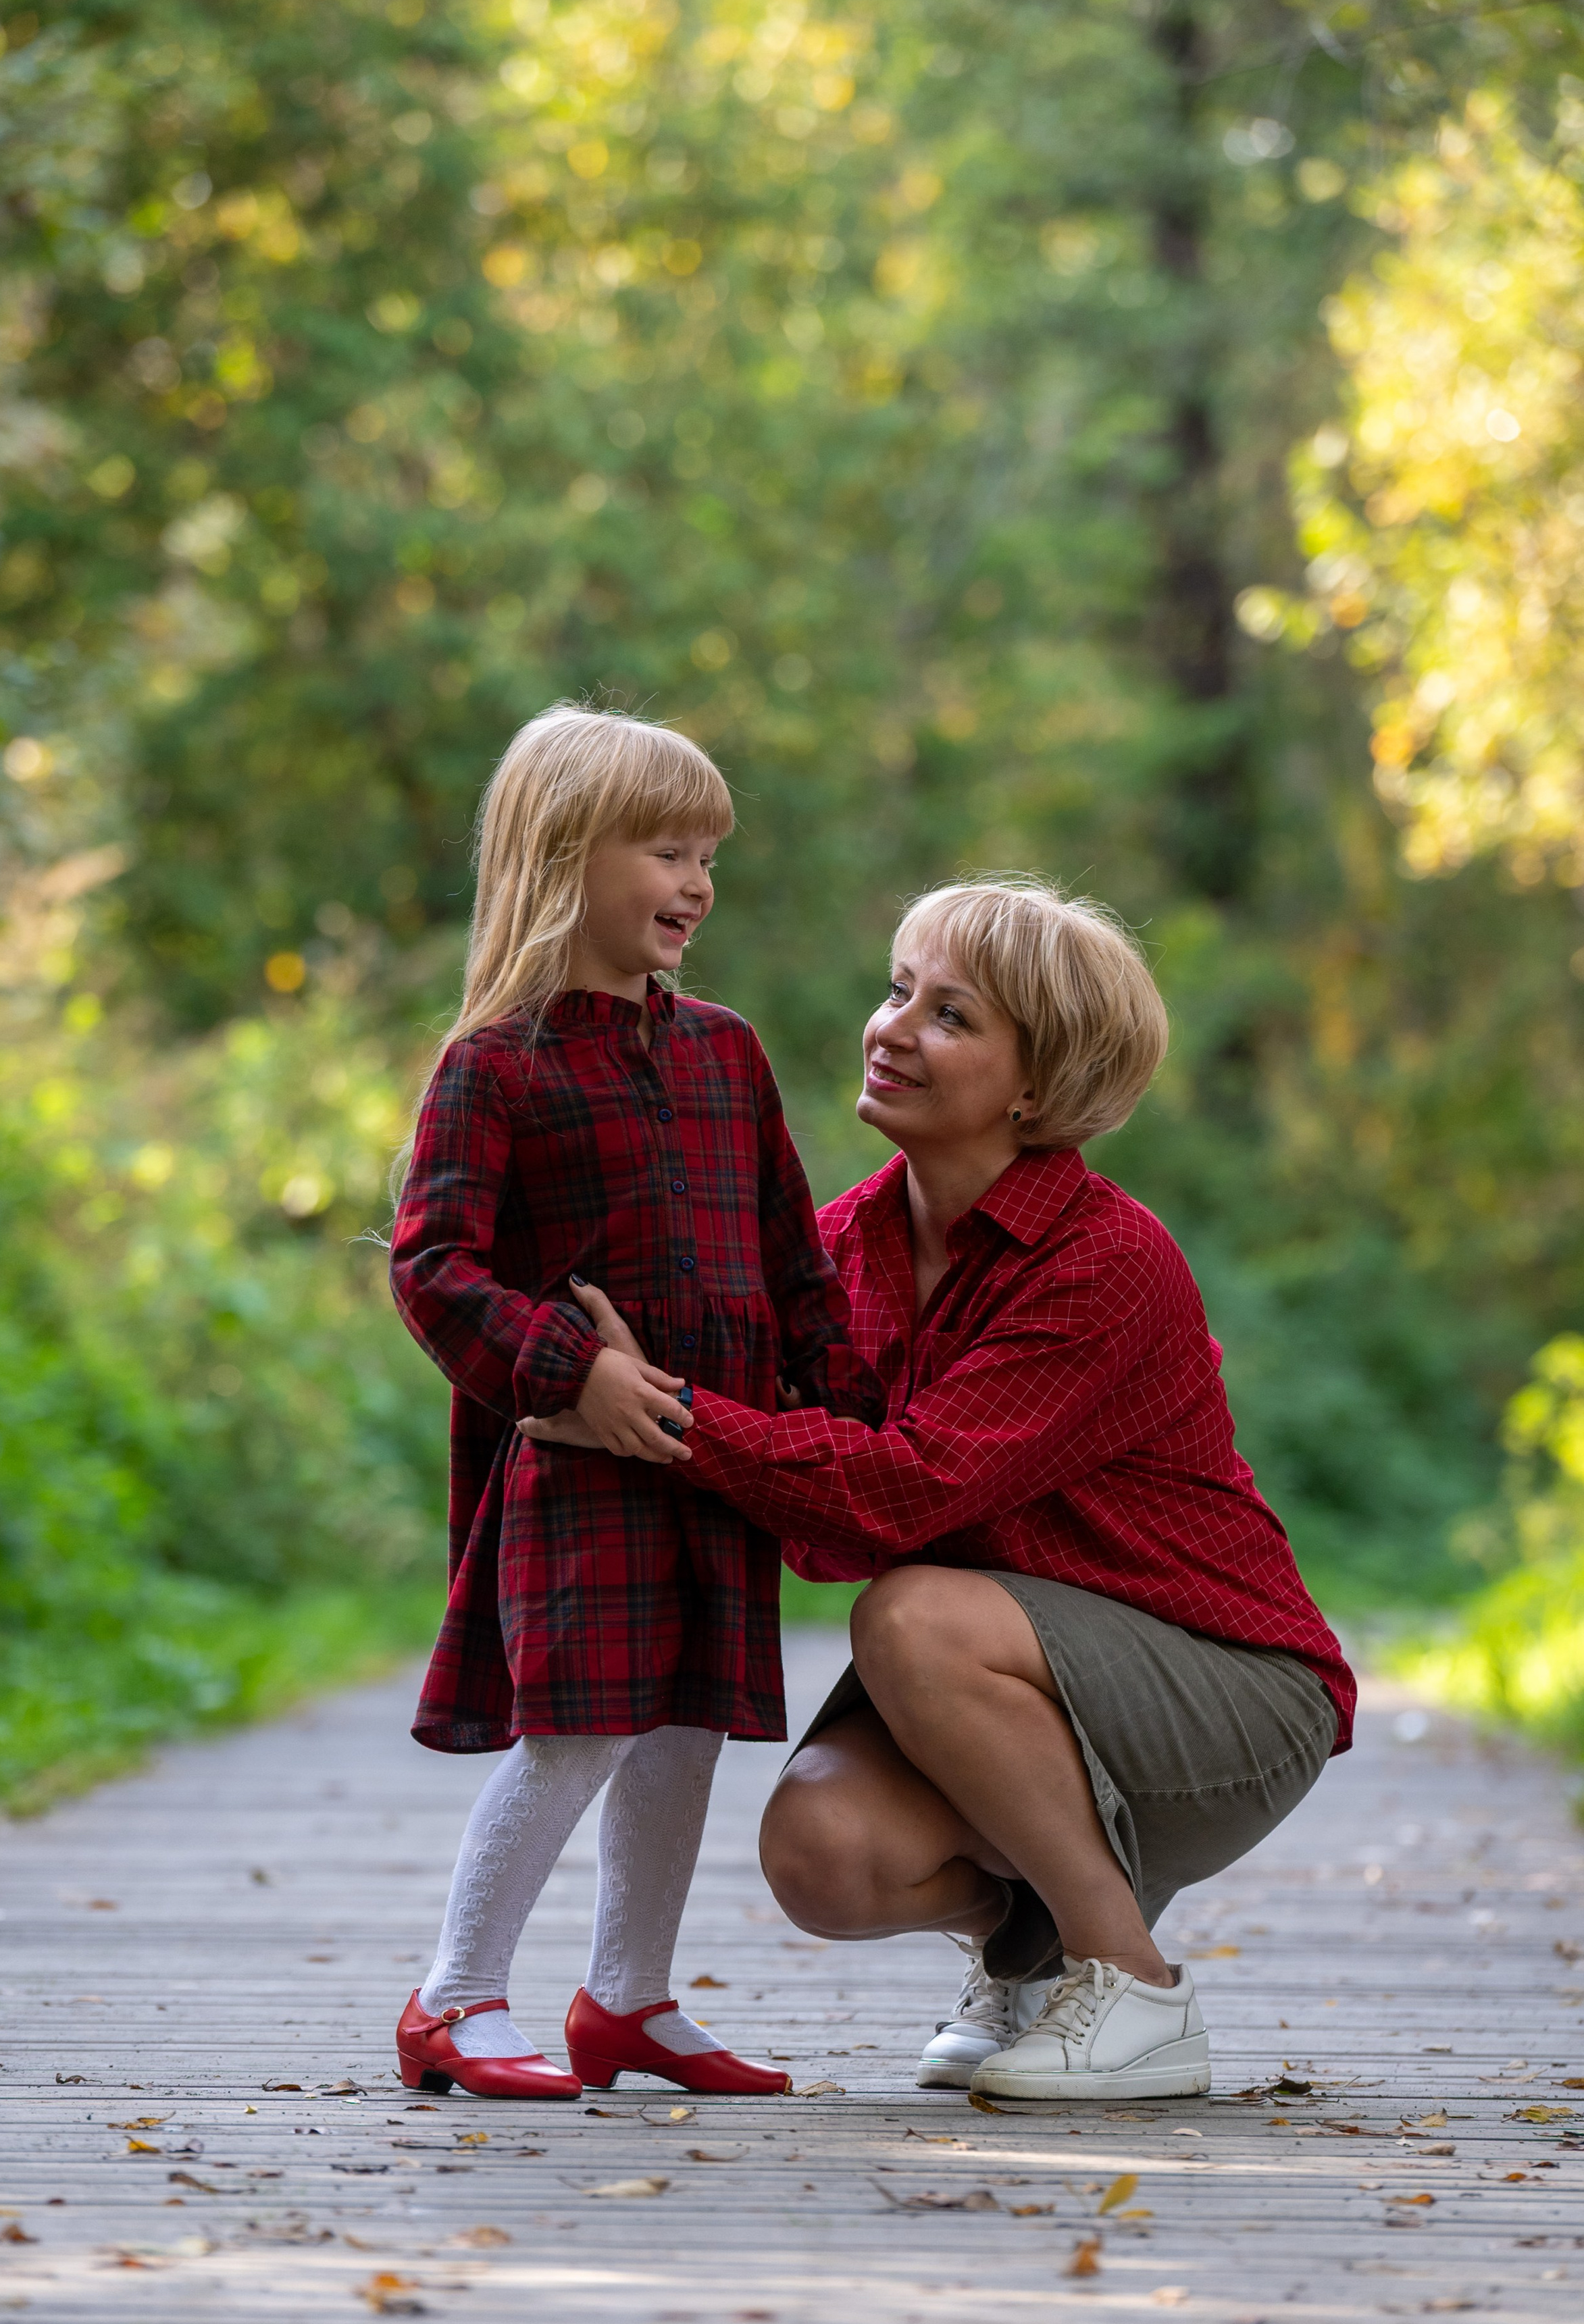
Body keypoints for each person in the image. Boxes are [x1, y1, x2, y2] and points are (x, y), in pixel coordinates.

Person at [519, 876, 1356, 2102]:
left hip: (1224, 1686)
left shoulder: (1105, 1260)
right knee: (822, 1849)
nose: (894, 1027)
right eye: (897, 989)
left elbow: (891, 1500)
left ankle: (1133, 1990)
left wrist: (659, 1416)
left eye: (951, 1016)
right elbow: (807, 1500)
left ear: (1036, 1083)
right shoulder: (842, 1247)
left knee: (911, 1611)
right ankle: (1029, 1964)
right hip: (1009, 1678)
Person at [387, 703, 884, 2100]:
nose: (697, 883)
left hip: (713, 1454)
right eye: (665, 850)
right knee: (584, 1727)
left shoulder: (725, 1053)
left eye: (708, 855)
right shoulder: (497, 1061)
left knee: (680, 1721)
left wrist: (845, 1425)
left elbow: (793, 1261)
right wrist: (565, 1369)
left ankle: (626, 2000)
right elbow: (431, 1267)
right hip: (576, 1462)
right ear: (563, 854)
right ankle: (452, 1995)